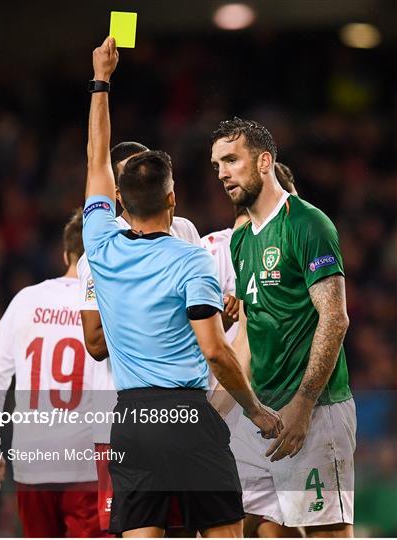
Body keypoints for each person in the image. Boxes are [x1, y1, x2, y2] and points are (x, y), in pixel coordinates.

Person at [82, 37, 281, 538]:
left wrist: (101, 81)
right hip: (188, 419)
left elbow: (95, 160)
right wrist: (255, 409)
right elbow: (215, 352)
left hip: (131, 420)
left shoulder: (100, 244)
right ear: (173, 197)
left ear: (119, 201)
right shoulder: (191, 259)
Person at [210, 117, 355, 537]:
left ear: (264, 162)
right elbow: (250, 336)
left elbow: (335, 316)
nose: (222, 173)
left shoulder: (307, 224)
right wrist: (215, 411)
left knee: (327, 530)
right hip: (265, 417)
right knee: (239, 523)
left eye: (232, 160)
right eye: (217, 164)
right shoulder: (241, 241)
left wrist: (304, 404)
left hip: (318, 410)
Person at [77, 141, 202, 535]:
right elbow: (95, 343)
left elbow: (198, 308)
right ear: (117, 191)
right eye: (131, 174)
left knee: (186, 528)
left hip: (185, 406)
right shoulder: (98, 252)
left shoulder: (184, 231)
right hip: (131, 405)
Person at [0, 210, 111, 538]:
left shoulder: (26, 300)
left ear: (66, 255)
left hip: (33, 462)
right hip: (87, 464)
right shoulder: (108, 307)